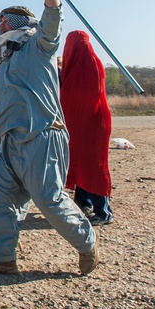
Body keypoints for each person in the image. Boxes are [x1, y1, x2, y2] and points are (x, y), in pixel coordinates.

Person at [0, 0, 98, 276]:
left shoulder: (39, 47)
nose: (0, 25)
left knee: (48, 199)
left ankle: (86, 244)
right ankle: (2, 258)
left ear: (20, 24)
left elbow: (53, 15)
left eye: (6, 20)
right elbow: (5, 103)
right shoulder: (4, 63)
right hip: (6, 142)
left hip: (42, 137)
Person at [61, 30, 114, 226]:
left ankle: (103, 211)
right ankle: (83, 203)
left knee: (93, 165)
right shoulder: (72, 66)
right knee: (79, 162)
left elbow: (89, 96)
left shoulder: (91, 63)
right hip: (77, 123)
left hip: (92, 123)